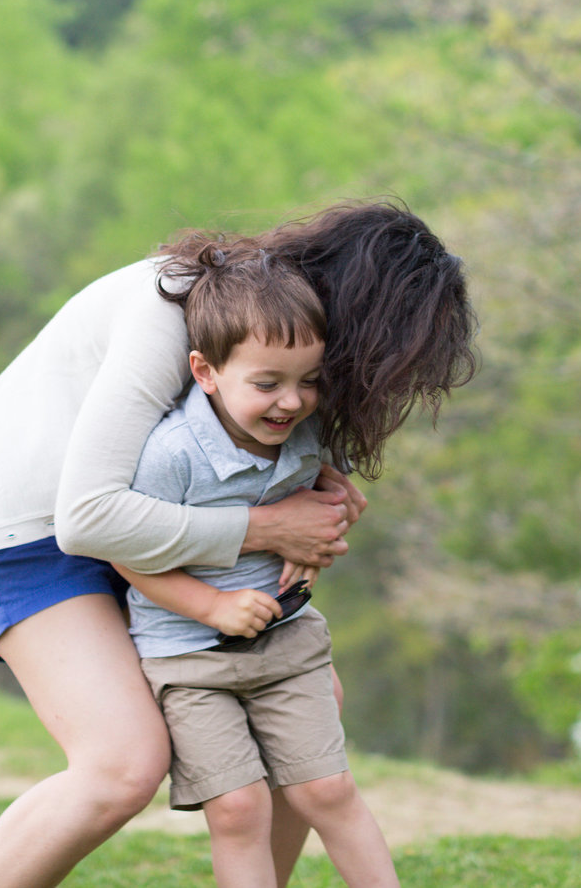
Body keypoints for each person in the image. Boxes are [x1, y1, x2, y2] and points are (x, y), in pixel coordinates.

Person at [0, 200, 476, 888]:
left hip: (149, 519)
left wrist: (316, 484)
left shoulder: (268, 330)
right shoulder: (175, 311)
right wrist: (268, 526)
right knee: (121, 763)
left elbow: (208, 445)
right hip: (29, 530)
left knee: (312, 711)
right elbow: (88, 517)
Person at [109, 246, 397, 888]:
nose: (291, 402)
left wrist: (322, 521)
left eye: (309, 381)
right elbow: (126, 550)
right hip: (188, 659)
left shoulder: (302, 435)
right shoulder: (171, 455)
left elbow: (305, 505)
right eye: (267, 383)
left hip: (288, 649)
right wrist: (211, 606)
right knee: (239, 810)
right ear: (205, 372)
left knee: (329, 791)